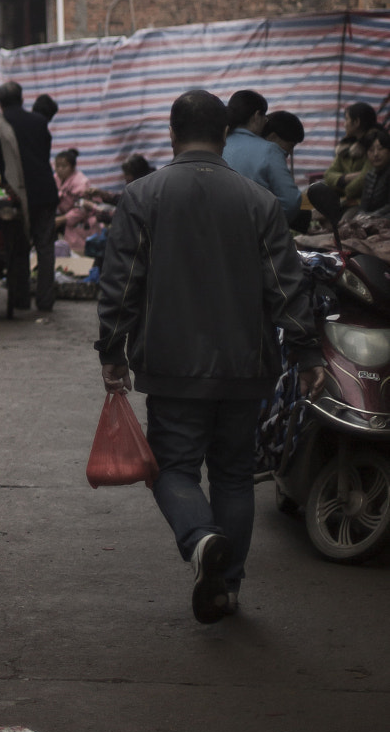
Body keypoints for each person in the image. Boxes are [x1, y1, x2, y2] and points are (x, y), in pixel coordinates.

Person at [97, 88, 324, 623]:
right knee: (233, 476)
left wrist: (113, 349)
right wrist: (307, 350)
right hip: (247, 367)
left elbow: (122, 282)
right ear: (225, 134)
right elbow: (286, 284)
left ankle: (200, 538)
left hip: (171, 366)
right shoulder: (259, 201)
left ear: (171, 134)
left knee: (172, 470)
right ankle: (228, 587)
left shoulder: (142, 196)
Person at [0, 81, 57, 314]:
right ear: (22, 99)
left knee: (19, 246)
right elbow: (43, 154)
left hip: (18, 194)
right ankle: (45, 301)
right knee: (45, 248)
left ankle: (21, 299)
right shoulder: (39, 122)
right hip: (45, 192)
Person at [222, 90, 307, 225]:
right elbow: (291, 201)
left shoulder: (219, 143)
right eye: (264, 118)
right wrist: (269, 224)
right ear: (257, 116)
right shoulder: (269, 150)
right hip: (253, 231)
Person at [324, 101, 378, 204]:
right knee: (310, 195)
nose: (344, 125)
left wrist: (341, 187)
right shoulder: (346, 145)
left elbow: (364, 178)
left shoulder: (375, 146)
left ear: (356, 122)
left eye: (346, 119)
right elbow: (328, 174)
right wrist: (347, 178)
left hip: (363, 202)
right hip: (343, 198)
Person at [53, 147, 99, 252]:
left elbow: (82, 209)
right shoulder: (56, 178)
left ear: (73, 167)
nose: (59, 169)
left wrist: (62, 219)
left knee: (80, 252)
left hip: (82, 222)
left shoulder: (81, 182)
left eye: (64, 166)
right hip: (64, 218)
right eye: (57, 166)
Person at [358, 125, 390, 216]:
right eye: (371, 150)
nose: (376, 154)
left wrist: (371, 217)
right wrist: (361, 216)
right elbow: (363, 206)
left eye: (380, 149)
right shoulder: (369, 175)